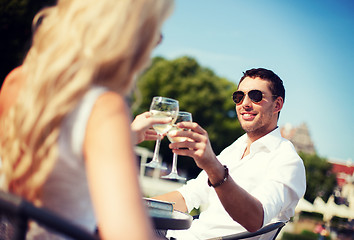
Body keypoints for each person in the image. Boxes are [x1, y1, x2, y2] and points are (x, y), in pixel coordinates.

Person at [0, 0, 174, 239]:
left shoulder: (16, 82)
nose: (159, 41)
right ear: (130, 31)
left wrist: (128, 135)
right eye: (156, 29)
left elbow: (59, 150)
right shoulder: (105, 106)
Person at [155, 68, 306, 240]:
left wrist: (213, 166)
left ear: (277, 105)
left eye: (255, 96)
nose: (245, 104)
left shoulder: (287, 160)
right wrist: (136, 205)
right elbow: (189, 196)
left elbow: (255, 219)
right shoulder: (236, 147)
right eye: (239, 97)